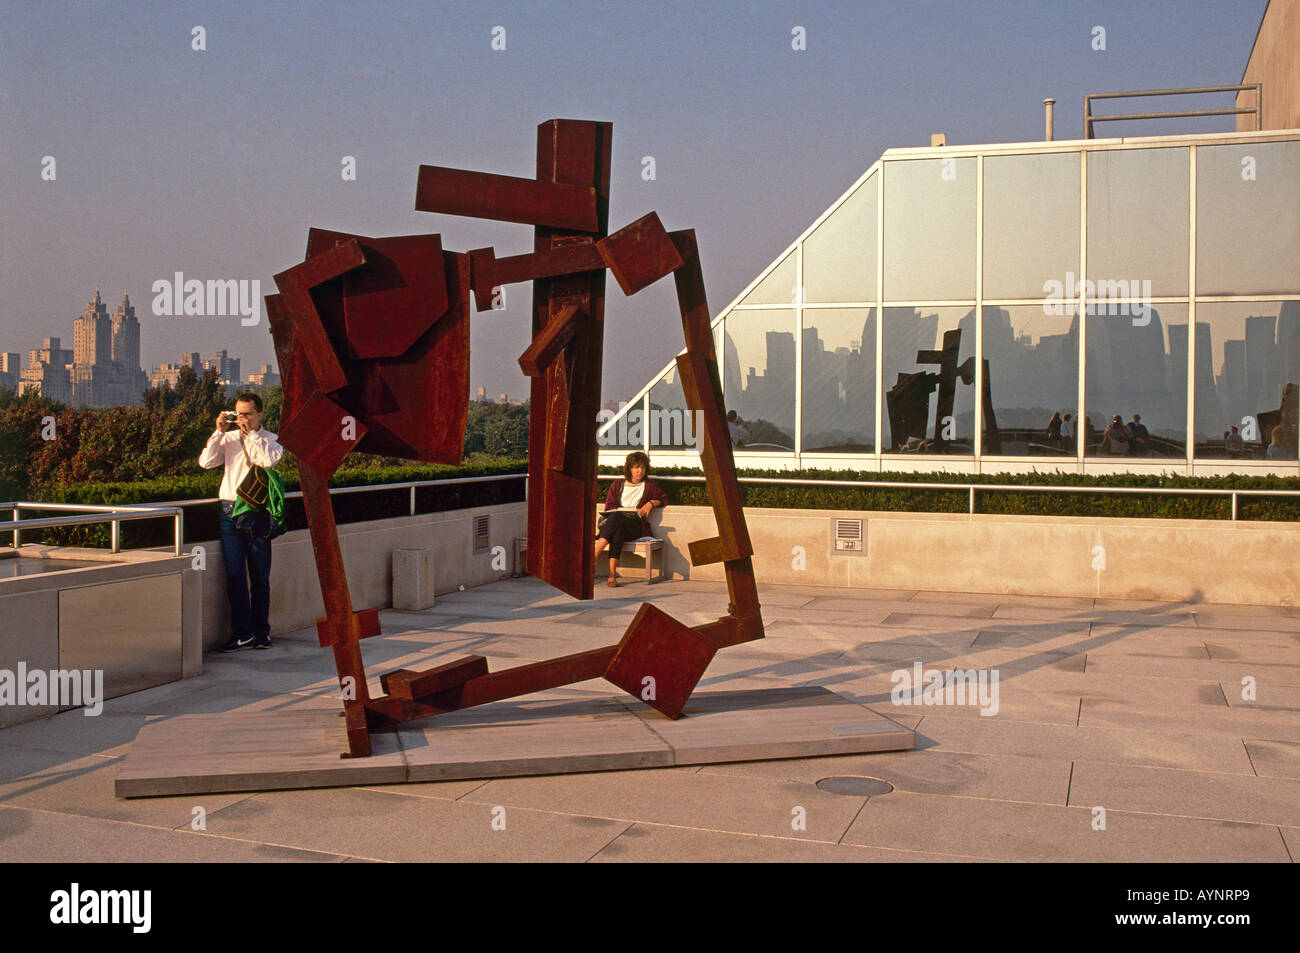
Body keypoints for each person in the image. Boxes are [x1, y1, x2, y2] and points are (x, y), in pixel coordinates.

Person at [199, 392, 284, 651]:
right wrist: (218, 432)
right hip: (228, 511)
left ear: (259, 414)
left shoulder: (271, 439)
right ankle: (242, 633)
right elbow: (206, 462)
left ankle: (261, 632)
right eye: (238, 413)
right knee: (235, 576)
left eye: (247, 414)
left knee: (260, 577)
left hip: (257, 513)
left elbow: (268, 460)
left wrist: (252, 435)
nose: (242, 419)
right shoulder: (228, 438)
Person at [594, 451, 668, 588]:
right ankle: (611, 576)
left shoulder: (649, 486)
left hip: (636, 527)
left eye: (643, 467)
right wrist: (621, 512)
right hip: (617, 525)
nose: (640, 471)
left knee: (617, 519)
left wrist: (651, 503)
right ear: (629, 468)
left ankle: (595, 554)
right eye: (636, 467)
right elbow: (609, 506)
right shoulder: (617, 485)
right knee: (618, 528)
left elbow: (663, 499)